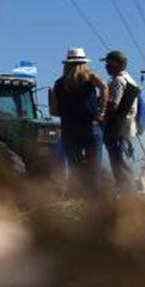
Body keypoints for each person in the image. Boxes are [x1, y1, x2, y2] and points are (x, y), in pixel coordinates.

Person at [48, 47, 106, 190]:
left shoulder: (59, 84)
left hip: (70, 129)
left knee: (76, 168)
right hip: (91, 126)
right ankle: (97, 202)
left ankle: (80, 201)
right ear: (84, 63)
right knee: (94, 169)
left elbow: (54, 111)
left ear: (66, 64)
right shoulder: (91, 78)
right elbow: (104, 87)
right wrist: (101, 111)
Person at [100, 50, 141, 188]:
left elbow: (113, 105)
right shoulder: (130, 80)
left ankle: (128, 199)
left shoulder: (118, 81)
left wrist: (102, 118)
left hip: (118, 129)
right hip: (127, 128)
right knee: (125, 164)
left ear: (119, 64)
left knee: (120, 166)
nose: (106, 67)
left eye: (109, 63)